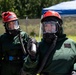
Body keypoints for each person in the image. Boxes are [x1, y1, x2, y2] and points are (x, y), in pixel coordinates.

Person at [22, 10, 76, 75]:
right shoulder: (40, 46)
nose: (49, 29)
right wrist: (32, 57)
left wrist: (75, 70)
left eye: (52, 25)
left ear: (59, 26)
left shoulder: (71, 44)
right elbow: (28, 70)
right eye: (46, 26)